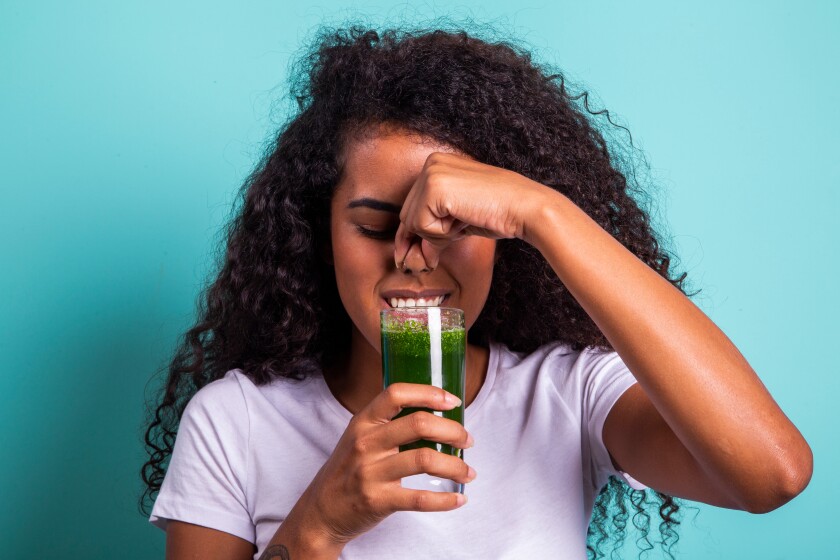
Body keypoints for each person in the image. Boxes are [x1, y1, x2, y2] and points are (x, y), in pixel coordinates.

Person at [140, 25, 813, 560]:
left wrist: (543, 213)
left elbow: (772, 474)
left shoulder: (569, 395)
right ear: (319, 236)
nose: (414, 257)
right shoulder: (235, 422)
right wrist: (318, 525)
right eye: (377, 226)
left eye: (459, 223)